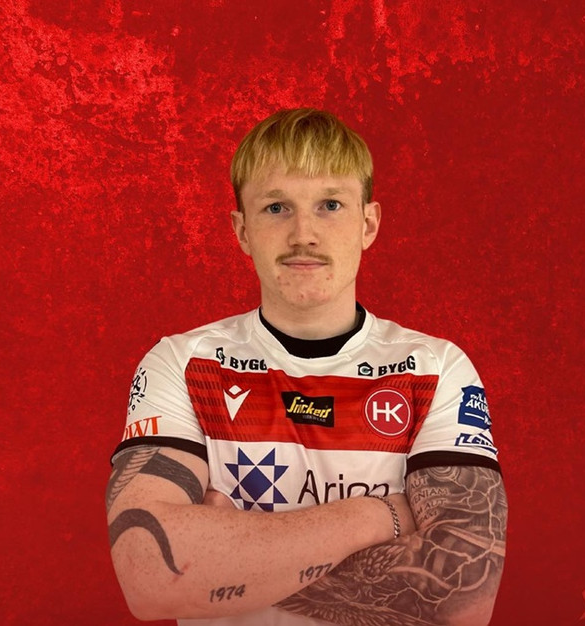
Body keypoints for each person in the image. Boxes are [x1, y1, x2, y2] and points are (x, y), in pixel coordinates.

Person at [106, 108, 508, 626]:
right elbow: (149, 576)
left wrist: (221, 559)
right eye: (276, 207)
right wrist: (378, 516)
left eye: (330, 205)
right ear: (242, 230)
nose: (303, 234)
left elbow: (459, 598)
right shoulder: (183, 362)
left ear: (368, 224)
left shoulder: (436, 367)